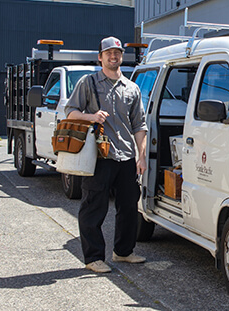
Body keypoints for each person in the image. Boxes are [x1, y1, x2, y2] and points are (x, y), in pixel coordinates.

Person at [64, 36, 147, 273]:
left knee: (129, 207)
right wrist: (91, 117)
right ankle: (93, 258)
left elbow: (139, 126)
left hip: (126, 157)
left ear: (121, 56)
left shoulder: (132, 88)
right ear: (100, 57)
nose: (114, 56)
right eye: (108, 53)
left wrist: (141, 157)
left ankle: (123, 252)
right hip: (99, 157)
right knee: (93, 207)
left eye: (117, 53)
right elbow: (70, 112)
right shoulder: (88, 83)